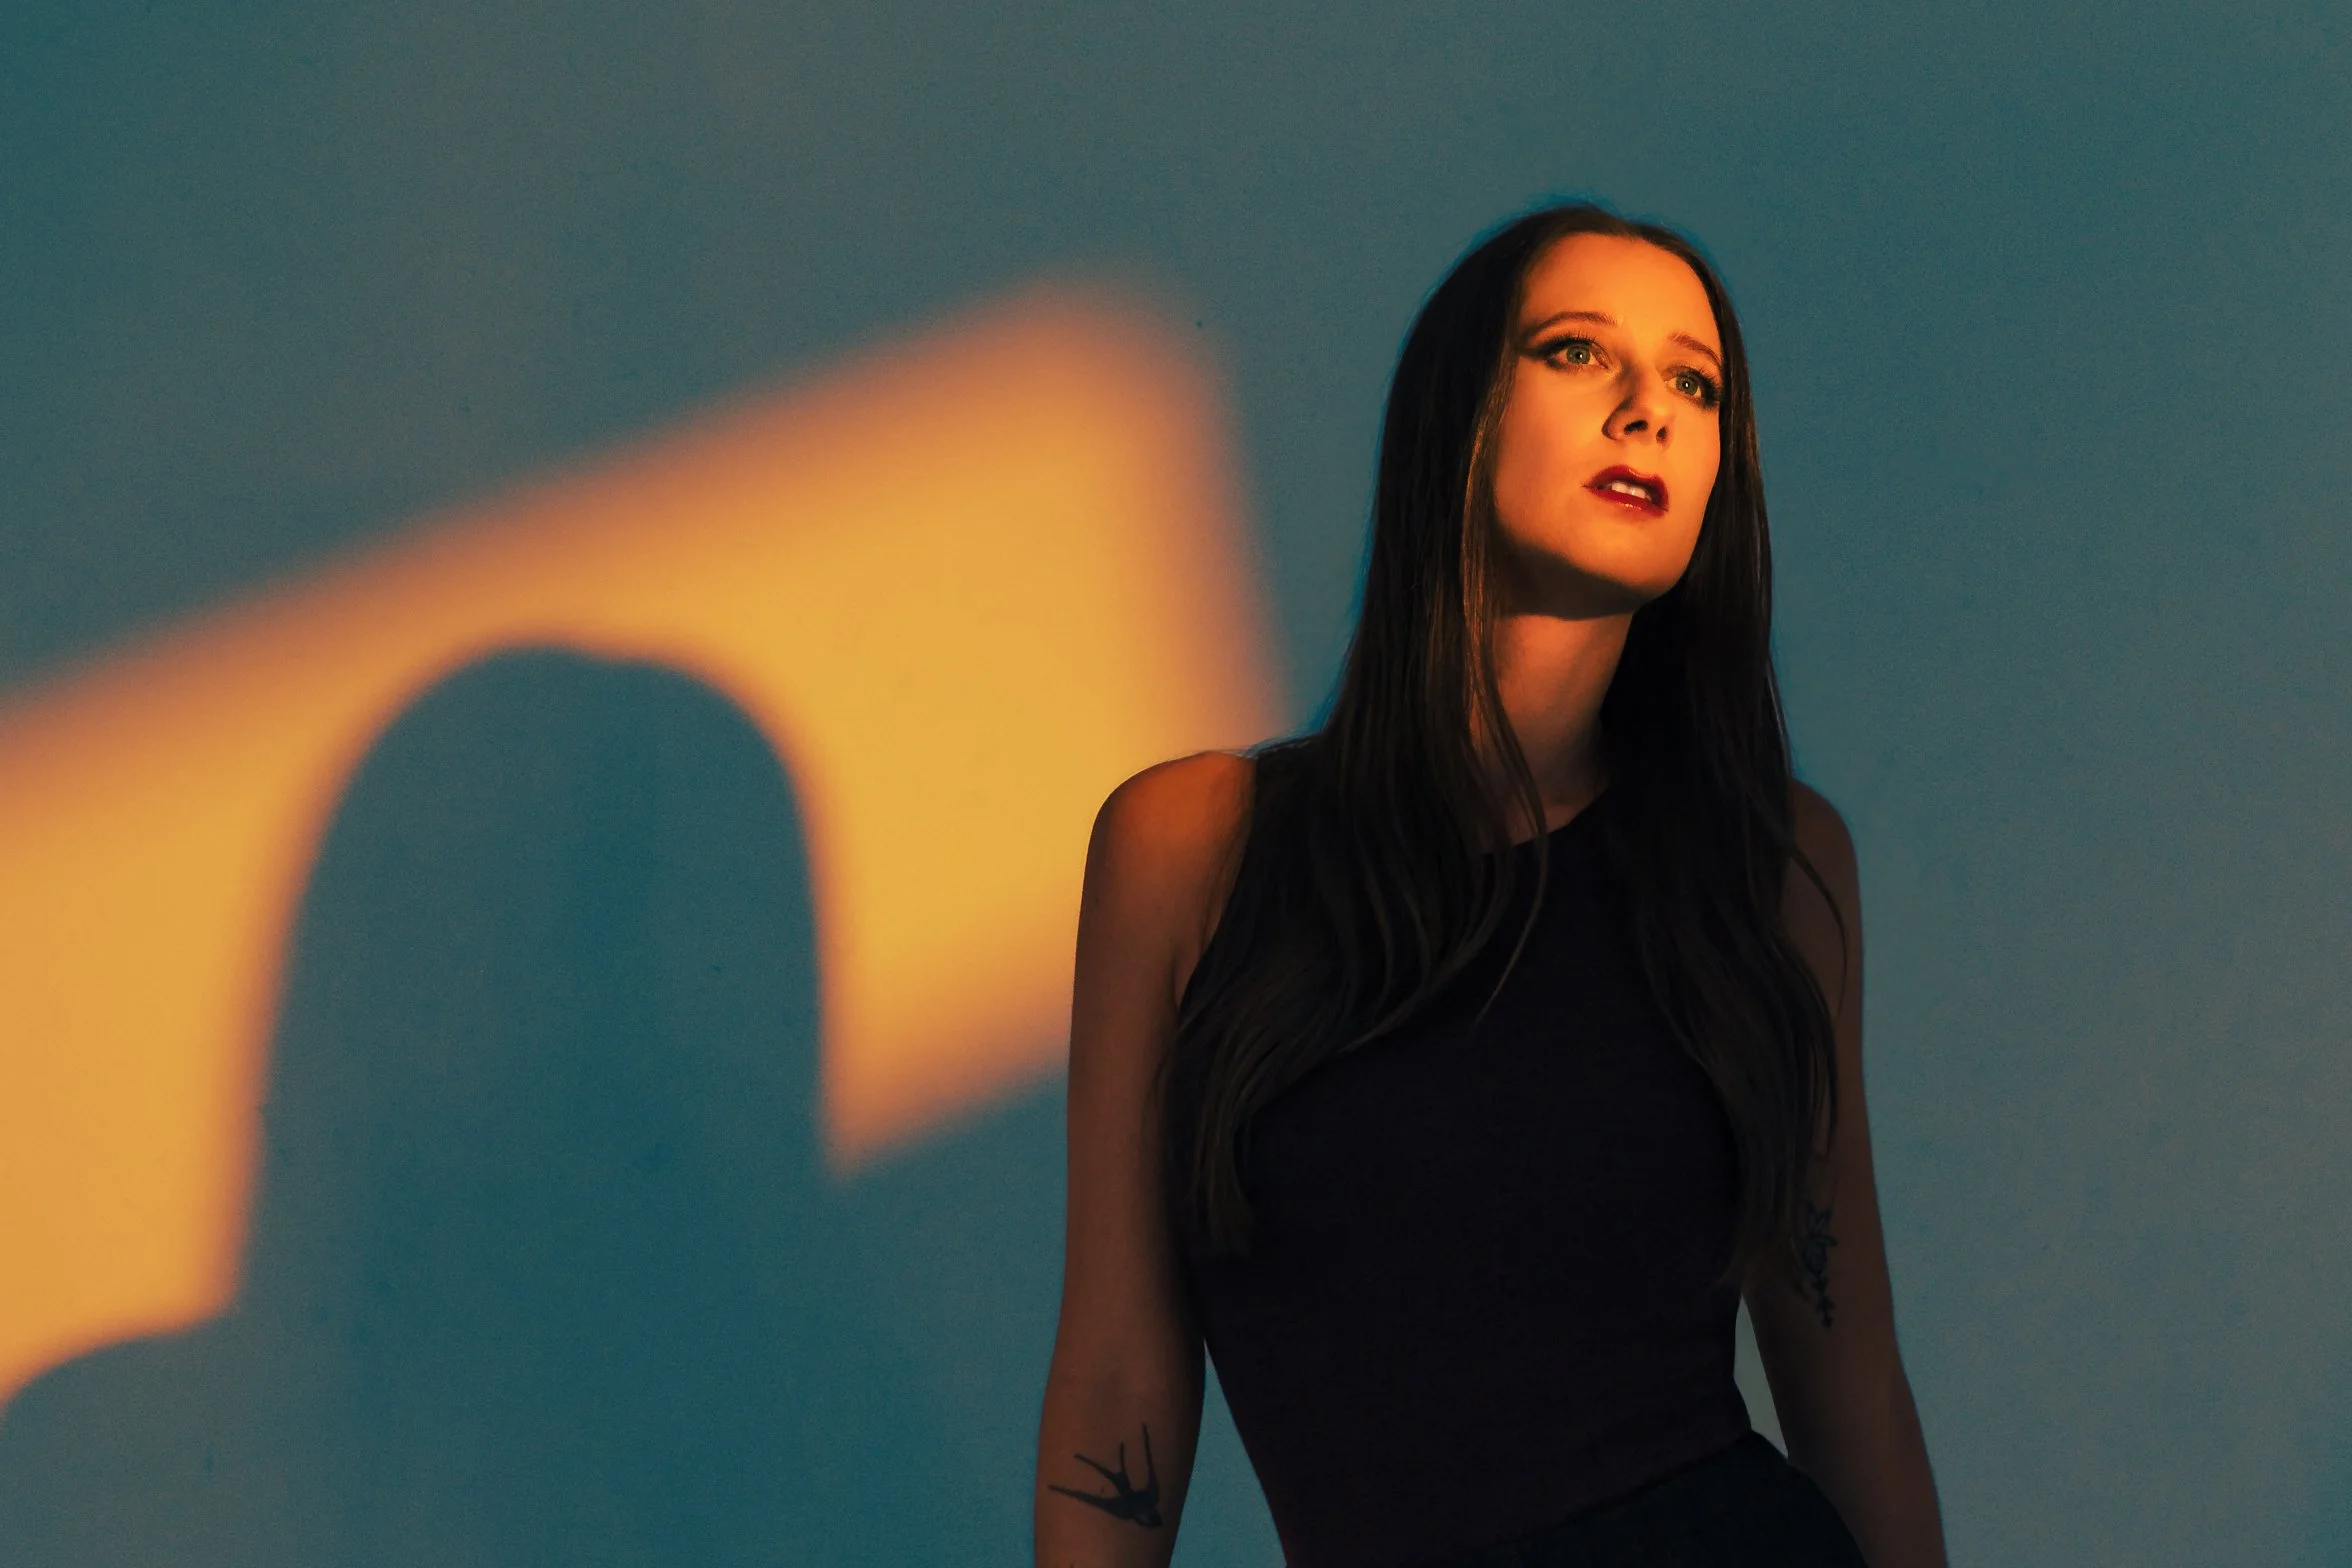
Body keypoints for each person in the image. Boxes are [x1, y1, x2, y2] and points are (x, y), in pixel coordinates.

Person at [1032, 202, 1947, 1567]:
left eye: (1696, 383)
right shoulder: (1192, 846)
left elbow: (1849, 1388)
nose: (1648, 408)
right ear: (1458, 417)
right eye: (1581, 354)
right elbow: (1117, 1377)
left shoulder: (1773, 864)